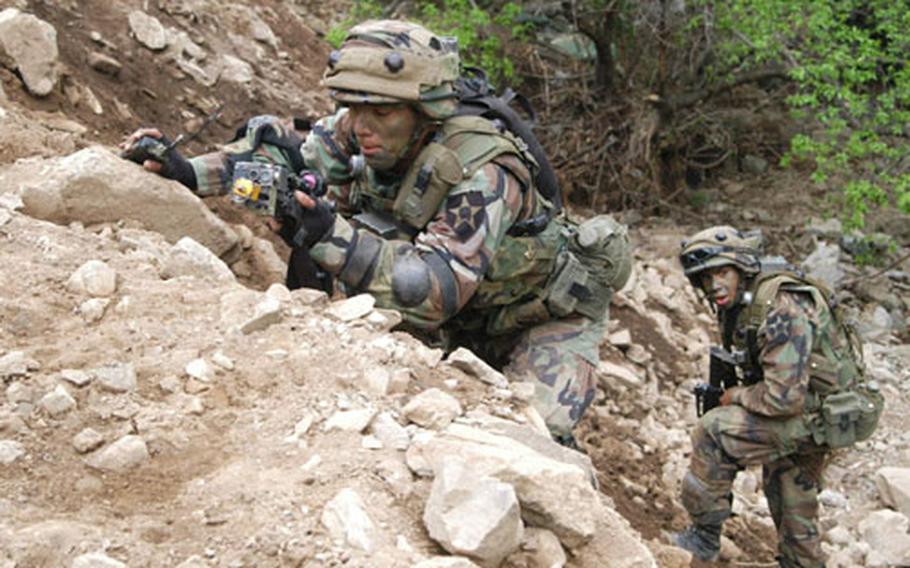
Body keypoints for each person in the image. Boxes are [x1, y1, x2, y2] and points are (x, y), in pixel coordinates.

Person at [120, 19, 632, 447]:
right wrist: (192, 172)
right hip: (455, 321)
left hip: (535, 320)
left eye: (381, 113)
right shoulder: (359, 126)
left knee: (529, 443)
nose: (361, 126)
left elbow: (435, 290)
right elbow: (287, 162)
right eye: (355, 107)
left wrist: (328, 235)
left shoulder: (485, 169)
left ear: (424, 112)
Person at [672, 226, 882, 567]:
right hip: (816, 410)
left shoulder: (780, 306)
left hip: (815, 413)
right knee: (789, 487)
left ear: (741, 268)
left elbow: (783, 400)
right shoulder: (747, 299)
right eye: (705, 278)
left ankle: (703, 540)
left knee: (714, 431)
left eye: (722, 273)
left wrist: (737, 396)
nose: (714, 286)